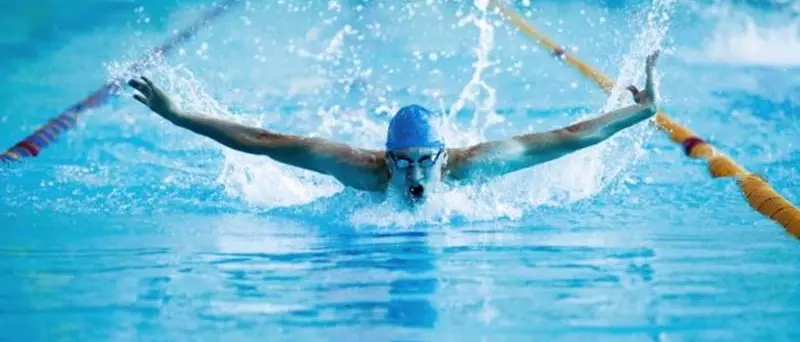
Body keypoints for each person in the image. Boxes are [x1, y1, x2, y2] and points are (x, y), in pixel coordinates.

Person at [128, 51, 661, 205]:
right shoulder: (362, 172)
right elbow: (266, 144)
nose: (413, 176)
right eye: (401, 161)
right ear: (385, 158)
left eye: (422, 160)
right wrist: (179, 116)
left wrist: (640, 111)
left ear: (442, 155)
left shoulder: (469, 165)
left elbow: (568, 138)